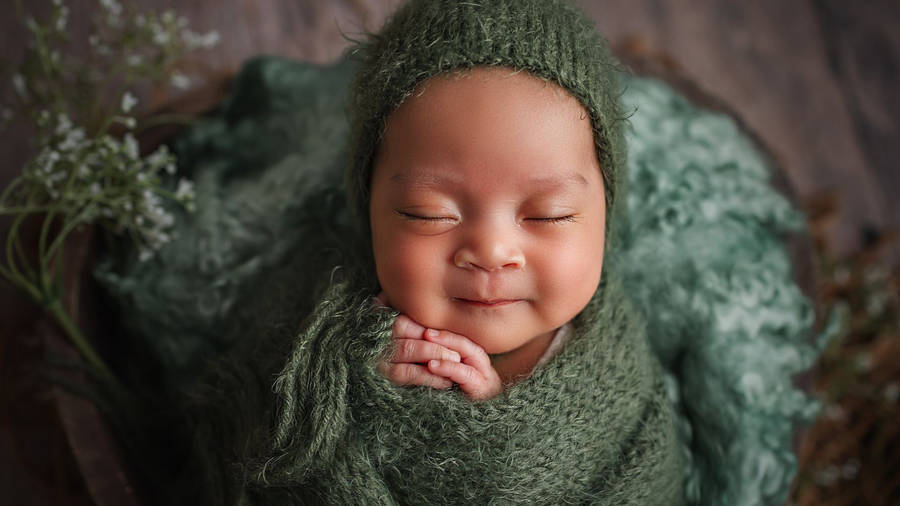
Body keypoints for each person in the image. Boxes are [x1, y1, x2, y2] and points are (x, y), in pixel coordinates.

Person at [172, 0, 686, 503]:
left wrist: (483, 431)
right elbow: (240, 426)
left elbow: (648, 480)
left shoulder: (617, 374)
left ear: (604, 218)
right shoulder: (321, 310)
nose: (491, 252)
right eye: (428, 213)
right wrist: (350, 381)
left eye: (547, 214)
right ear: (369, 212)